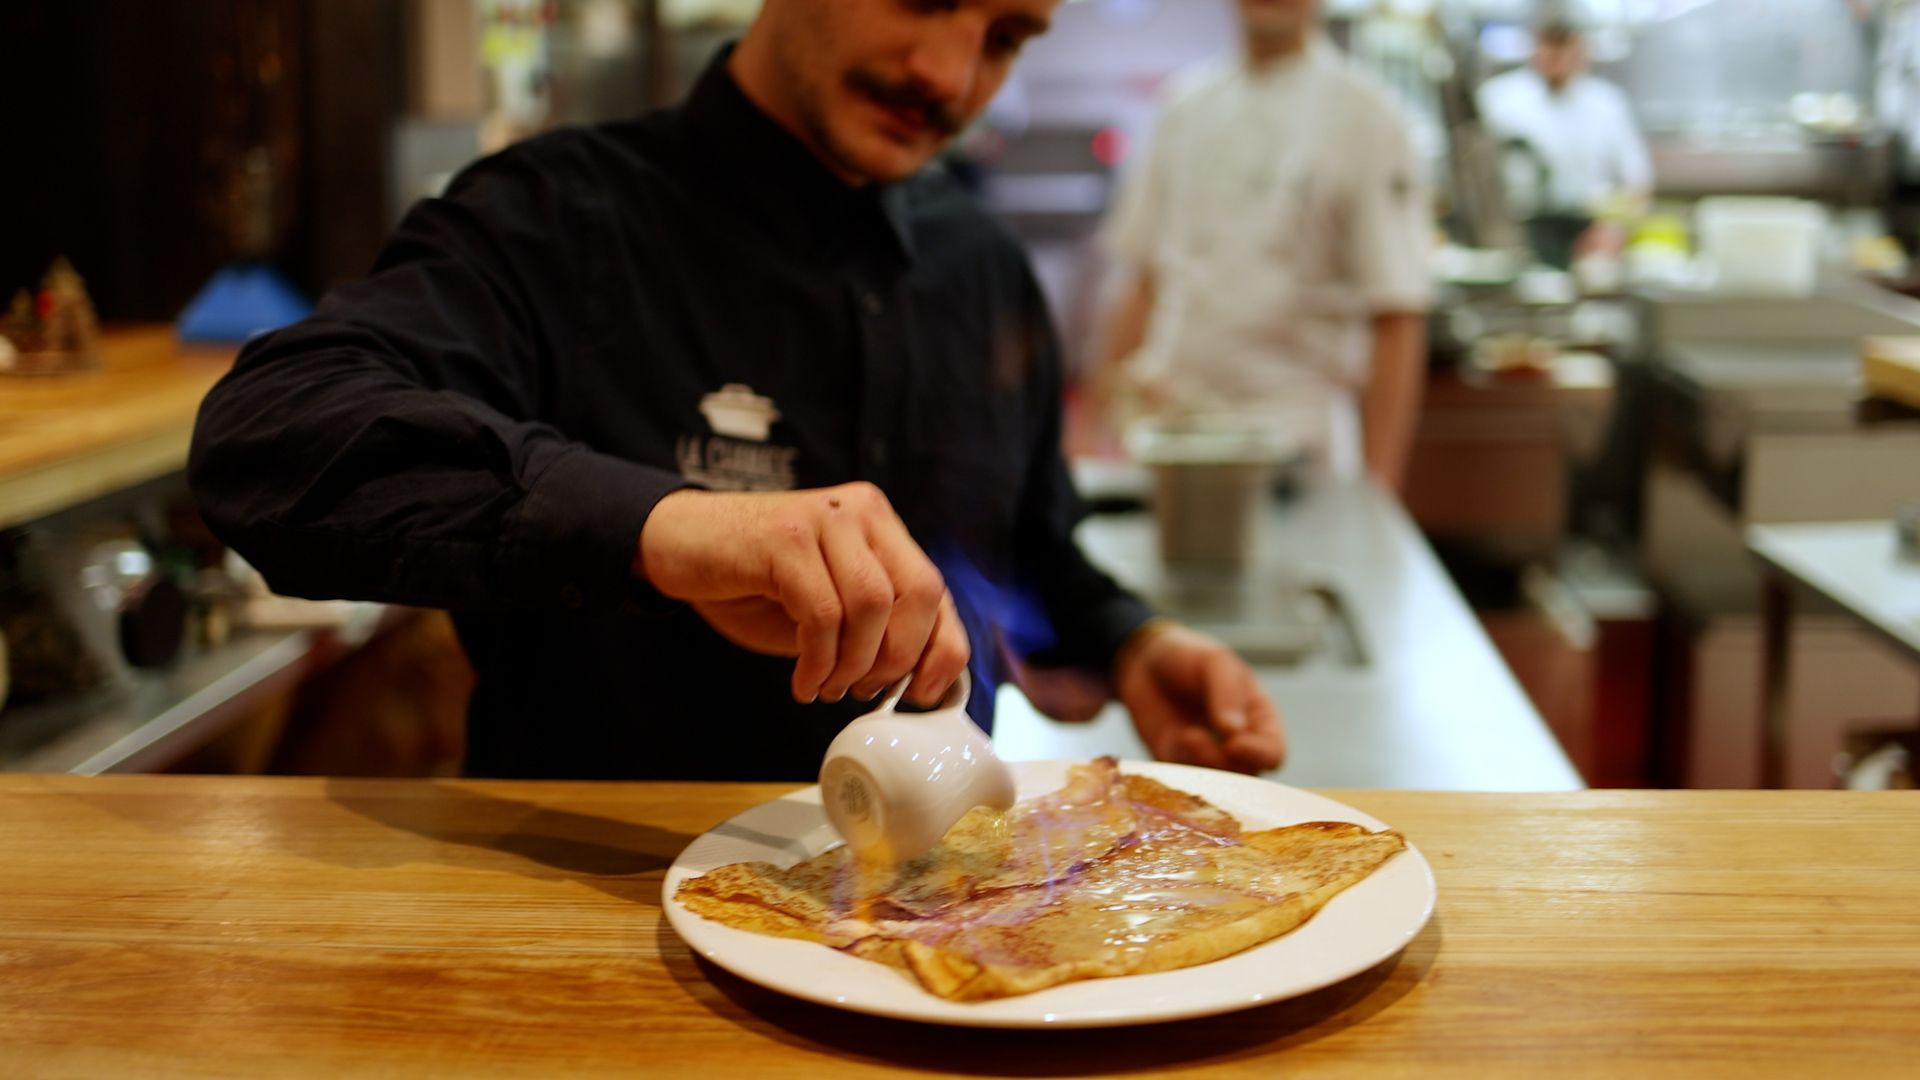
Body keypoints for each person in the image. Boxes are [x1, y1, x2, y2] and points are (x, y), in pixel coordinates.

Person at [187, 0, 1285, 781]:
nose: (951, 78)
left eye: (1004, 37)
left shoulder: (983, 268)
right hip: (598, 935)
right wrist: (670, 529)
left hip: (934, 947)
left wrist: (1134, 640)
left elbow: (1028, 549)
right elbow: (271, 435)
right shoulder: (556, 217)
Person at [1079, 0, 1433, 492]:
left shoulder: (1367, 117)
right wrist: (1086, 433)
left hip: (1298, 449)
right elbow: (1142, 279)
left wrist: (1380, 490)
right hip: (1172, 436)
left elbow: (1397, 315)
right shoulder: (1184, 105)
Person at [1475, 18, 1652, 268]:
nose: (1555, 60)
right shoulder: (1498, 100)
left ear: (1581, 52)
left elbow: (1637, 179)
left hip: (1588, 233)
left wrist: (1613, 229)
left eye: (1564, 51)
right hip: (1515, 228)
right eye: (1548, 51)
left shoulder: (1607, 103)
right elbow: (1474, 177)